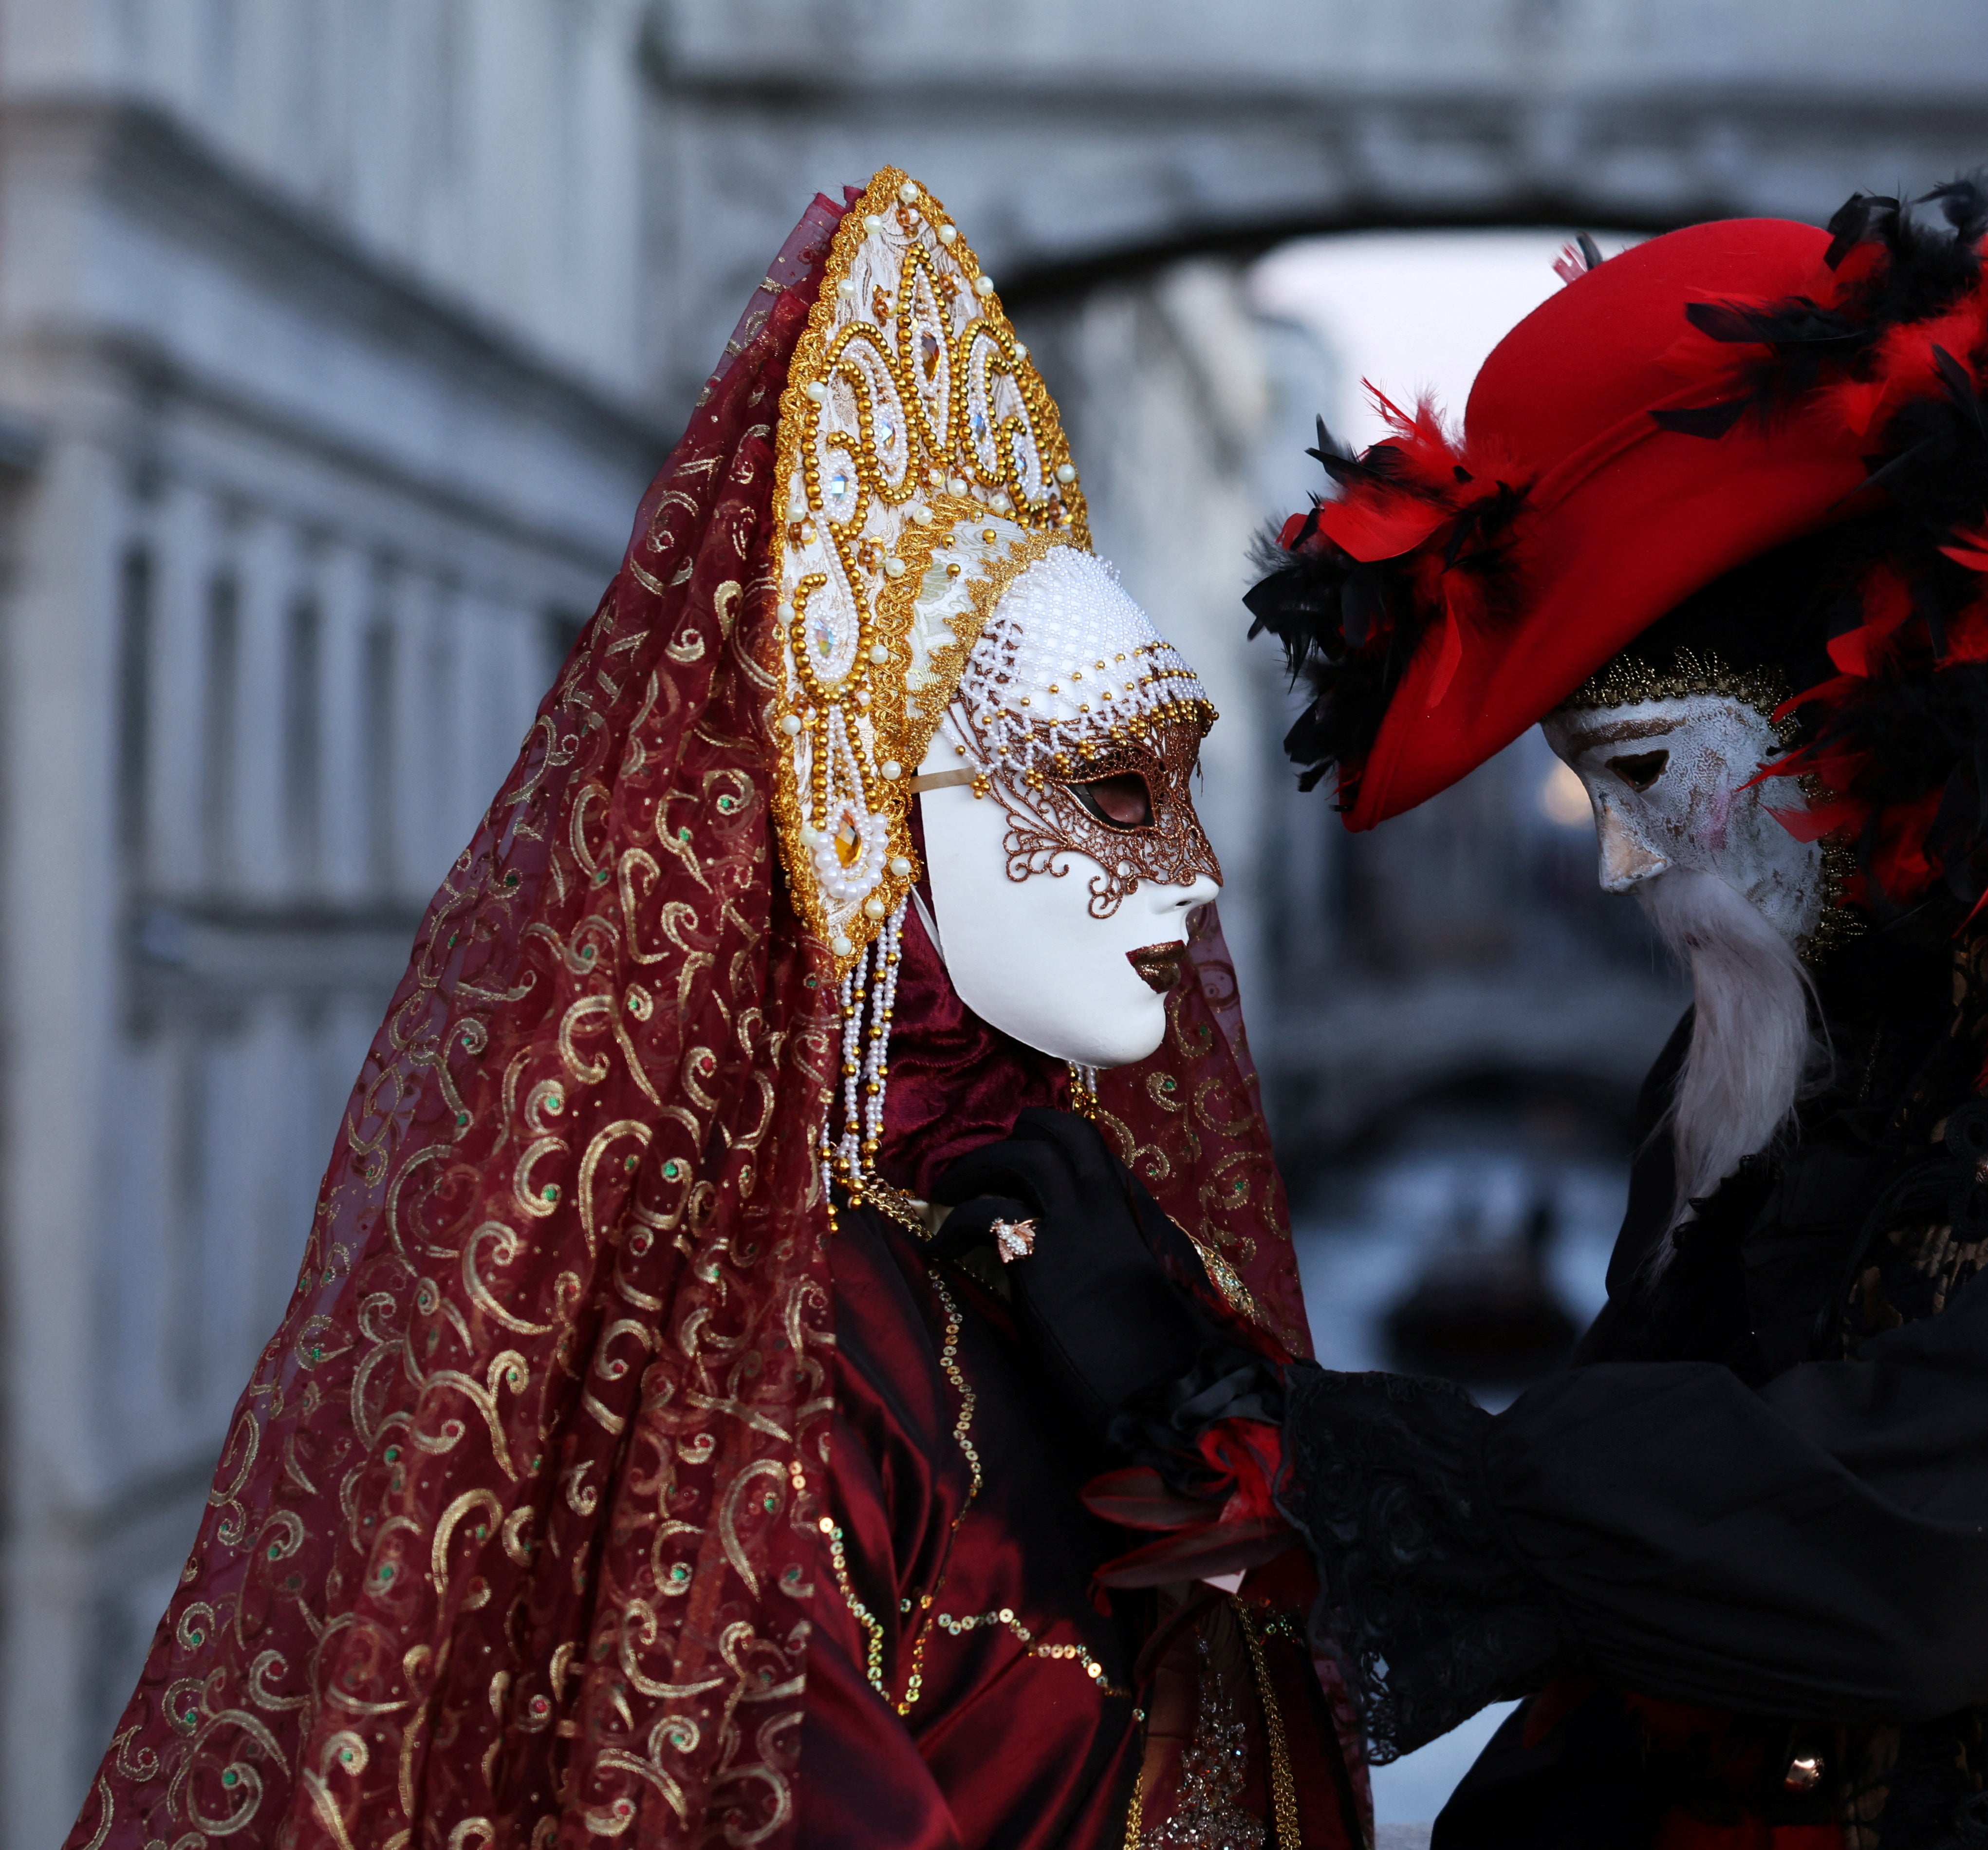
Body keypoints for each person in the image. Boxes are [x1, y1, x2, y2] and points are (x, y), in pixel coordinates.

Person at [961, 184, 1988, 1849]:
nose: (1620, 865)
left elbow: (1915, 1545)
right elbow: (1632, 1573)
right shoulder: (1816, 1024)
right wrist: (1186, 1408)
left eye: (1641, 775)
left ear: (1886, 691)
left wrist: (1287, 1444)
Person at [69, 168, 1355, 1850]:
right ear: (876, 828)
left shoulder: (1079, 1251)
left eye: (1183, 793)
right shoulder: (771, 1360)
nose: (1194, 880)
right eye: (1111, 793)